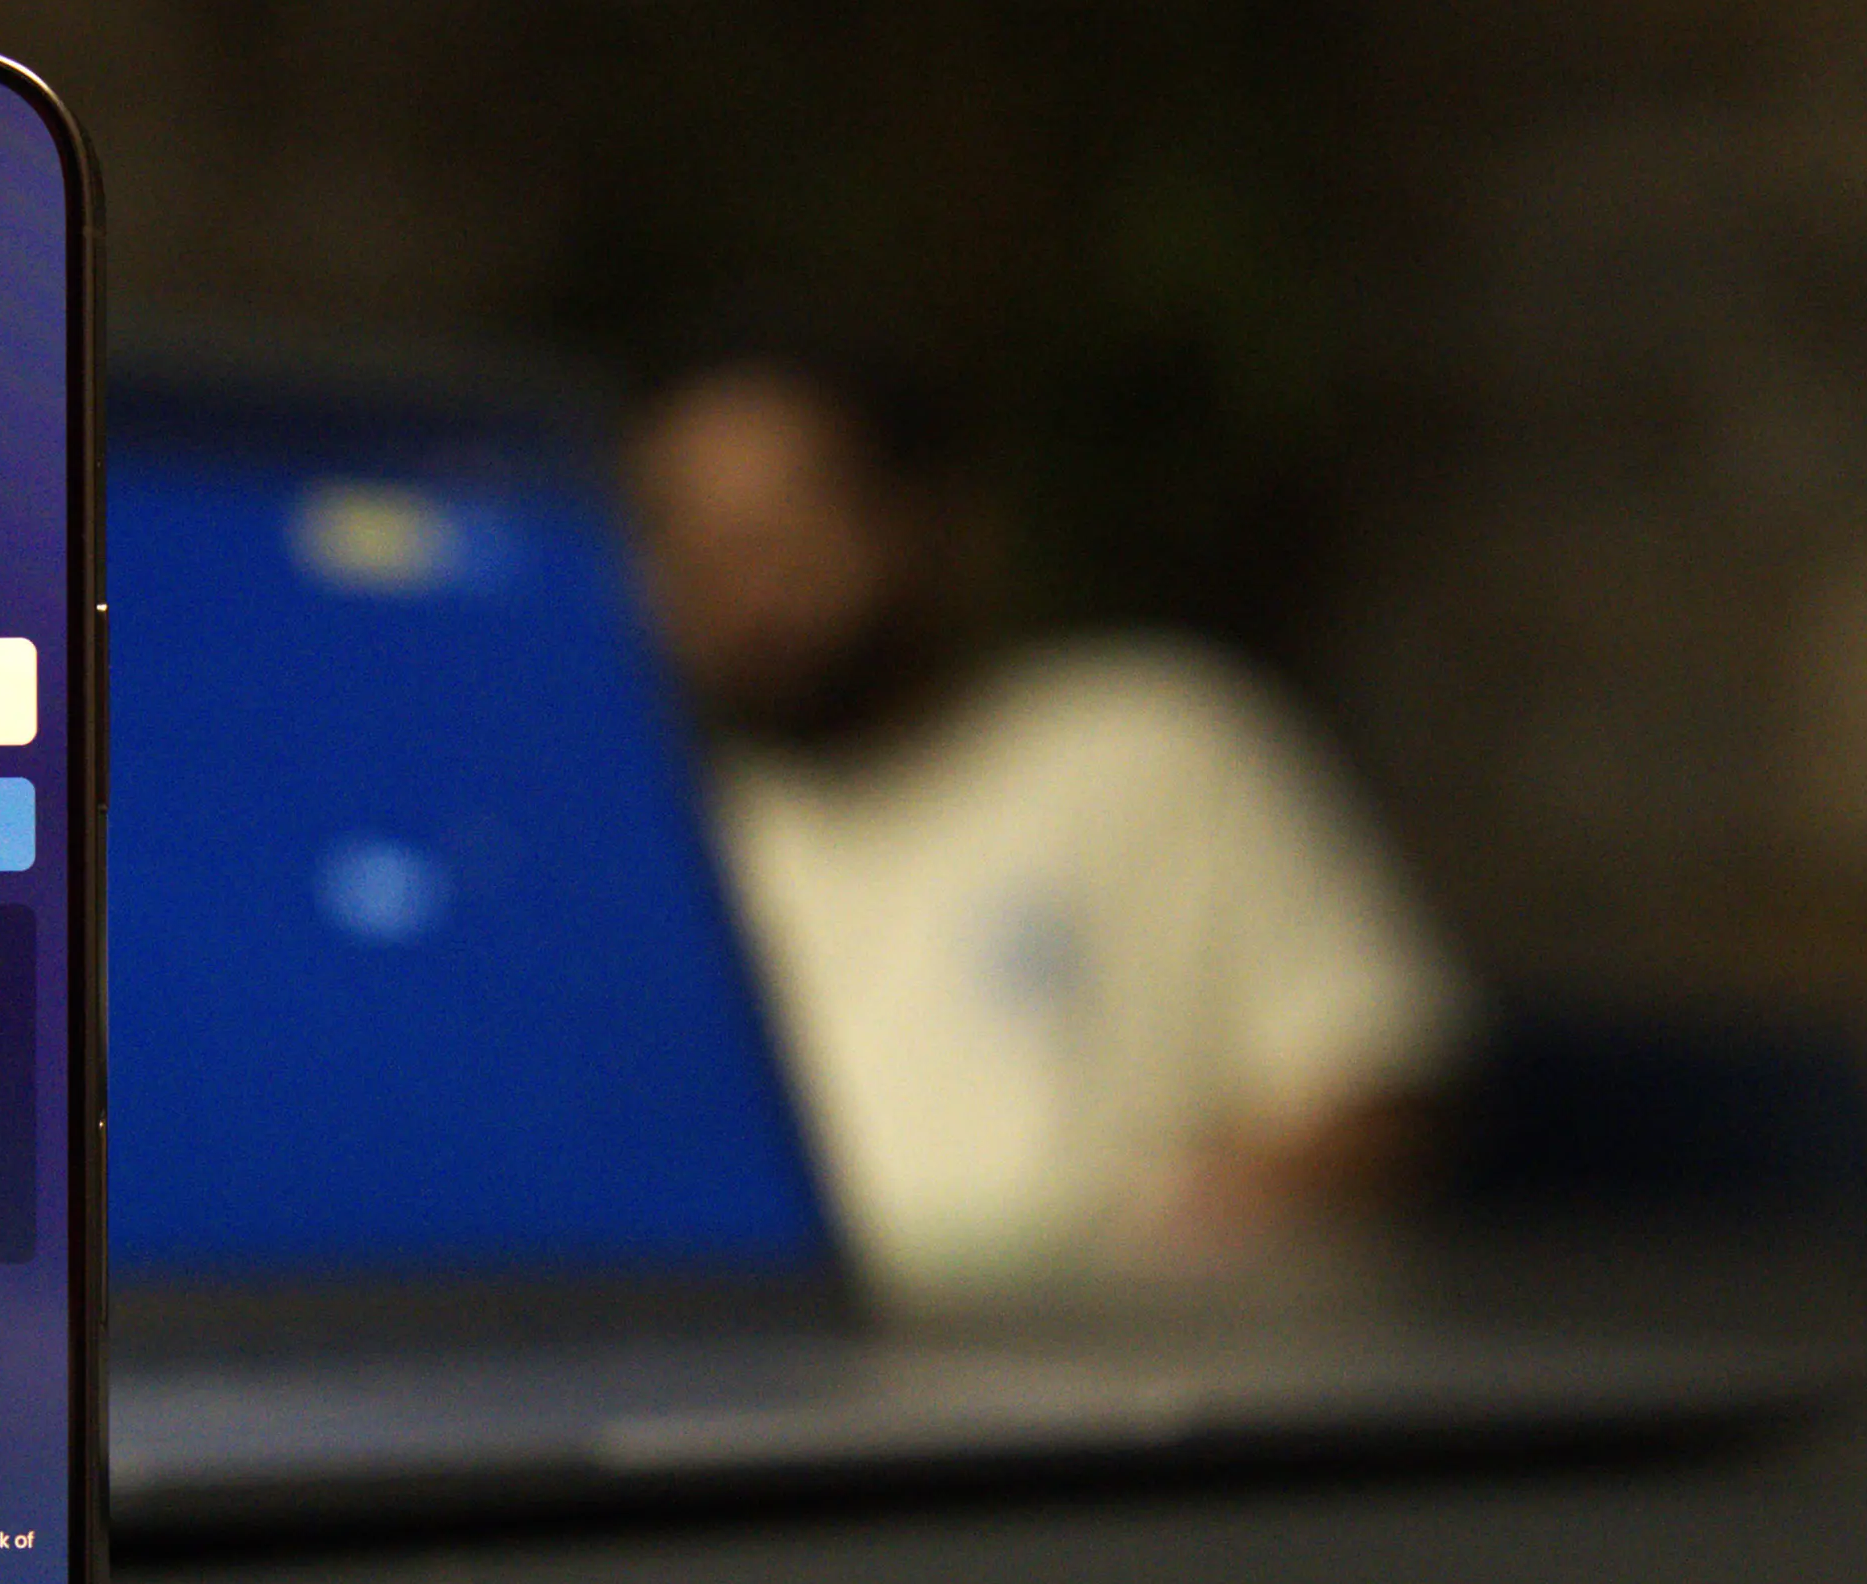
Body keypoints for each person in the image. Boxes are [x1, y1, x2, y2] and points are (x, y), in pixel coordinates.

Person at [625, 353, 1474, 1312]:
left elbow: (1378, 1072)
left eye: (792, 525)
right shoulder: (662, 828)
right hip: (781, 1367)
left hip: (1130, 1357)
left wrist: (1199, 1239)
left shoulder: (1151, 739)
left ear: (930, 521)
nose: (749, 584)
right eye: (698, 542)